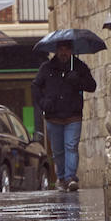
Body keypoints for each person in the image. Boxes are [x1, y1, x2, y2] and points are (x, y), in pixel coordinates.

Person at [30, 40, 97, 191]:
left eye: (66, 49)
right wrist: (43, 102)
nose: (63, 53)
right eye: (61, 49)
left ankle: (71, 177)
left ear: (71, 51)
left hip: (73, 115)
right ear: (56, 50)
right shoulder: (46, 68)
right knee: (58, 150)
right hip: (53, 116)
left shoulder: (79, 67)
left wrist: (77, 80)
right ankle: (61, 178)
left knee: (71, 146)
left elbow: (91, 86)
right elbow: (35, 86)